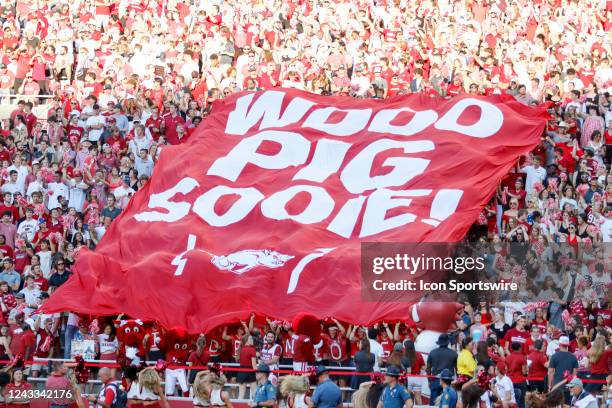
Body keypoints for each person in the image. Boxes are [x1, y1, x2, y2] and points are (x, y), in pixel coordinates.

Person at [427, 333, 457, 404]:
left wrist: (429, 380)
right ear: (448, 342)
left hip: (435, 380)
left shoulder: (432, 352)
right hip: (448, 381)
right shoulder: (453, 353)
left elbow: (428, 368)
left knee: (433, 404)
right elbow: (457, 369)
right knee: (448, 403)